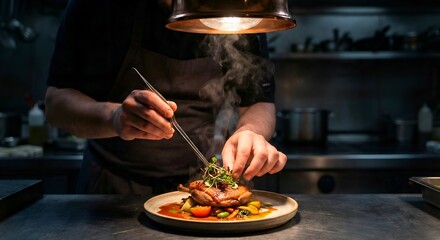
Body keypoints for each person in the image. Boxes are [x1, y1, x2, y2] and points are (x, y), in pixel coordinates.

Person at [44, 0, 287, 194]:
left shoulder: (239, 8)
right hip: (111, 188)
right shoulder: (98, 7)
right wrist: (115, 117)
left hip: (201, 183)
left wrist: (250, 131)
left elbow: (259, 102)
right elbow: (56, 104)